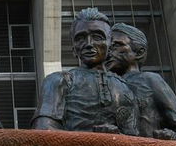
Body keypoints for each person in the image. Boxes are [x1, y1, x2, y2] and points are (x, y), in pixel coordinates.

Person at [33, 7, 138, 135]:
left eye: (97, 37)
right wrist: (91, 138)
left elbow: (133, 136)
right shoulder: (58, 81)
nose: (88, 44)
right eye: (80, 38)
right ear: (73, 48)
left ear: (110, 45)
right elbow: (43, 131)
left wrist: (114, 138)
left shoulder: (125, 88)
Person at [106, 23, 176, 142]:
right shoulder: (105, 85)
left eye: (117, 45)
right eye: (108, 47)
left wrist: (175, 142)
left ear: (139, 52)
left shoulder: (150, 80)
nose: (109, 52)